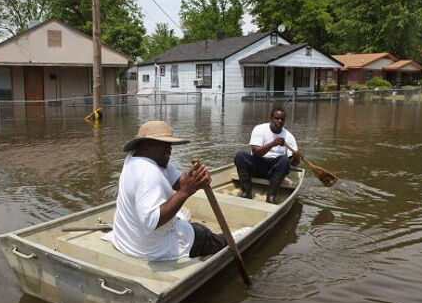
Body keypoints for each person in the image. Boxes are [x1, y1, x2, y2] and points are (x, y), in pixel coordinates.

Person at [111, 121, 227, 261]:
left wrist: (196, 180)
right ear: (146, 145)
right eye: (164, 144)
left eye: (170, 144)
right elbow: (151, 221)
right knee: (202, 233)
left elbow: (178, 183)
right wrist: (184, 192)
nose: (170, 149)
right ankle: (228, 242)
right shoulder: (148, 173)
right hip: (152, 250)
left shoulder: (136, 159)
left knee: (184, 220)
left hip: (125, 243)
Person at [234, 108, 303, 204]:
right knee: (240, 155)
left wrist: (296, 157)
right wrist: (273, 143)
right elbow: (256, 152)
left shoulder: (289, 137)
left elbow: (293, 164)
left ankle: (271, 197)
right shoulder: (259, 129)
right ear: (271, 118)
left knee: (284, 160)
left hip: (274, 172)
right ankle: (246, 192)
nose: (279, 121)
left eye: (282, 119)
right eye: (277, 118)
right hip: (257, 165)